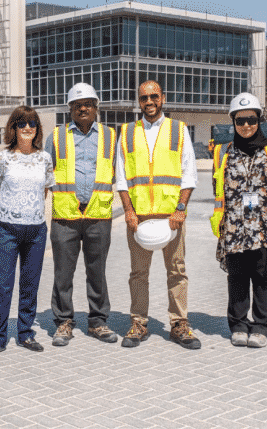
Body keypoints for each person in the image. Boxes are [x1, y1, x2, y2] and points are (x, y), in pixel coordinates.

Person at [116, 80, 200, 350]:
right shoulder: (128, 132)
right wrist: (128, 211)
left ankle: (179, 324)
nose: (149, 102)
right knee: (138, 273)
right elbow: (121, 177)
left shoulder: (178, 130)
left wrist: (180, 209)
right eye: (143, 98)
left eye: (154, 96)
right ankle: (139, 322)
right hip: (138, 219)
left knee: (177, 271)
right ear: (138, 101)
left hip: (171, 218)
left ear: (163, 98)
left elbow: (189, 174)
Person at [211, 92, 267, 348]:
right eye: (240, 121)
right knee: (236, 277)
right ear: (233, 122)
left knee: (263, 276)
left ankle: (261, 326)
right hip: (234, 227)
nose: (246, 126)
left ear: (259, 120)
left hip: (265, 228)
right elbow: (218, 189)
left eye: (251, 120)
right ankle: (238, 325)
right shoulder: (222, 152)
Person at [46, 83, 118, 347]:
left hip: (98, 214)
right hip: (65, 215)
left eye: (88, 103)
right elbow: (46, 172)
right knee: (63, 274)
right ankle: (63, 321)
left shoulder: (110, 136)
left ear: (96, 107)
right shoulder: (56, 136)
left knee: (96, 272)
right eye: (77, 105)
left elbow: (118, 174)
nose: (83, 108)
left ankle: (98, 321)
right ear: (70, 109)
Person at [0, 106, 54, 358]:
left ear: (37, 128)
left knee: (29, 284)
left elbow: (44, 191)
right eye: (21, 123)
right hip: (7, 232)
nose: (27, 127)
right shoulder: (3, 158)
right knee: (2, 284)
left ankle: (25, 333)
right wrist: (5, 216)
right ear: (13, 127)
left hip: (36, 232)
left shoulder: (44, 158)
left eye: (32, 122)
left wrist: (28, 212)